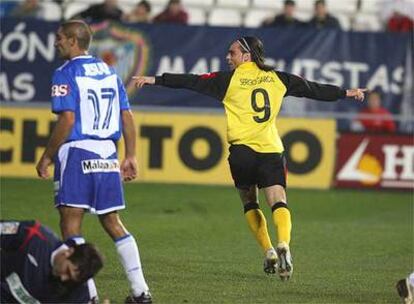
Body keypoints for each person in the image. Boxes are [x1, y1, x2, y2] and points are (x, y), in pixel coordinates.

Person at [133, 36, 366, 281]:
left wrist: (155, 80)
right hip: (270, 150)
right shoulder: (279, 78)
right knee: (278, 201)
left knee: (249, 202)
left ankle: (269, 251)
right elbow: (313, 89)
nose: (227, 57)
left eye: (231, 53)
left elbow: (191, 81)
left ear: (246, 55)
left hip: (242, 153)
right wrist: (345, 93)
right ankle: (283, 243)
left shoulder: (227, 80)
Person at [35, 20, 152, 304]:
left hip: (78, 152)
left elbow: (68, 119)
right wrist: (131, 155)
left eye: (60, 38)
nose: (56, 43)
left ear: (74, 41)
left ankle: (88, 296)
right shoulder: (109, 71)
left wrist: (48, 155)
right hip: (107, 154)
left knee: (70, 224)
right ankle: (141, 292)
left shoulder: (65, 72)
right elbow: (126, 116)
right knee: (112, 221)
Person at [1, 220, 103, 303]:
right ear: (69, 252)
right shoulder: (35, 235)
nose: (63, 278)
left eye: (71, 279)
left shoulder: (80, 292)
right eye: (67, 271)